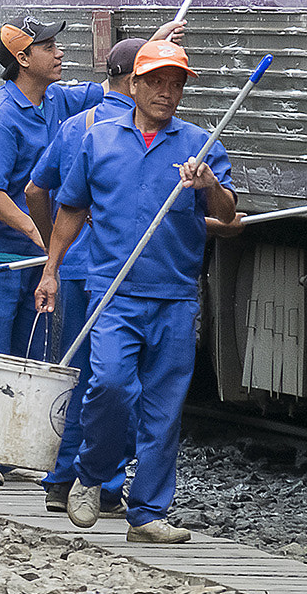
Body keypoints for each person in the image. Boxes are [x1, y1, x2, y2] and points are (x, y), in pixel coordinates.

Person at [0, 15, 182, 486]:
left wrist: (155, 43)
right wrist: (43, 235)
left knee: (28, 353)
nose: (59, 53)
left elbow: (116, 86)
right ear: (22, 59)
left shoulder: (58, 98)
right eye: (48, 47)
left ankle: (8, 446)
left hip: (39, 253)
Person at [37, 39, 236, 544]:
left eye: (176, 84)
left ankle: (146, 513)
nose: (167, 93)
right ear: (135, 84)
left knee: (164, 407)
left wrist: (208, 184)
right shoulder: (98, 140)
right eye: (157, 82)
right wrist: (51, 269)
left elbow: (229, 213)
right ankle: (92, 472)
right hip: (113, 293)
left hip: (174, 293)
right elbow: (71, 211)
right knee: (109, 385)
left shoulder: (200, 145)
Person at [23, 36, 145, 516]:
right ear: (135, 82)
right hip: (116, 272)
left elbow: (36, 188)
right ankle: (105, 483)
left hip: (74, 268)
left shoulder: (79, 125)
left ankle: (59, 480)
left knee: (73, 372)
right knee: (114, 380)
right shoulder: (135, 131)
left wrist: (56, 240)